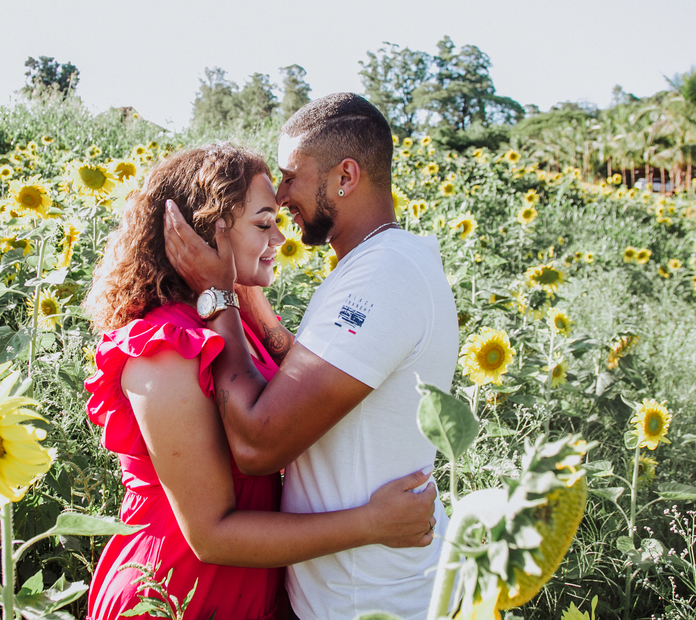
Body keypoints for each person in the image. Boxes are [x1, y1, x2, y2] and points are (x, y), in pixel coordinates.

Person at [82, 142, 438, 620]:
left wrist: (234, 293)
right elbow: (211, 536)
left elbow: (298, 388)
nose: (280, 238)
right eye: (263, 223)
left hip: (245, 594)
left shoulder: (228, 323)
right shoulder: (162, 350)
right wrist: (371, 524)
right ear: (209, 230)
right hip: (172, 594)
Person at [164, 94, 459, 620]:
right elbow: (306, 382)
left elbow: (258, 444)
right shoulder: (374, 265)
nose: (281, 196)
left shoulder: (383, 277)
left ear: (345, 176)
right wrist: (246, 294)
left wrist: (219, 296)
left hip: (370, 600)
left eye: (290, 177)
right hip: (346, 590)